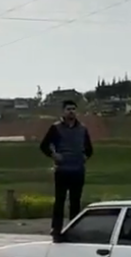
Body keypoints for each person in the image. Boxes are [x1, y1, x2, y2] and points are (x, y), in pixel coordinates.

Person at [39, 99, 94, 241]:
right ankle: (56, 229)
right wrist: (54, 155)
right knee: (60, 200)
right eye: (68, 109)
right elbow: (44, 145)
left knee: (75, 201)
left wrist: (83, 157)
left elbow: (89, 149)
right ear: (63, 111)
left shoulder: (82, 129)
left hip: (78, 170)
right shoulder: (56, 128)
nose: (71, 112)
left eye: (73, 109)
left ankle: (74, 229)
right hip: (62, 170)